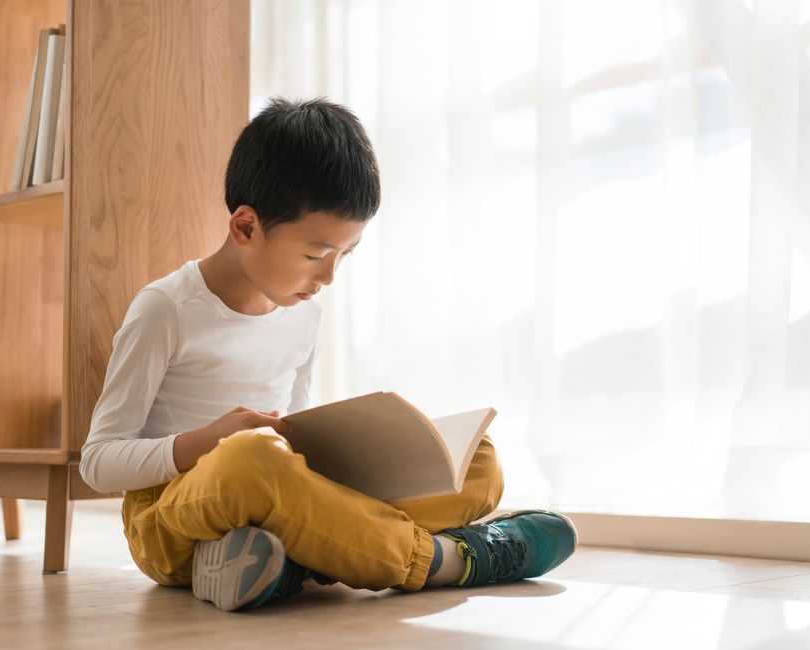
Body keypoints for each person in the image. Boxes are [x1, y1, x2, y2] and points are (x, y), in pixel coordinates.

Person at [79, 97, 577, 612]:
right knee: (251, 459)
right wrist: (207, 443)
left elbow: (298, 434)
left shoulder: (304, 312)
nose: (327, 278)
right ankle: (450, 559)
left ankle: (280, 562)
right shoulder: (165, 308)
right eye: (315, 255)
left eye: (345, 255)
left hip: (277, 496)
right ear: (245, 227)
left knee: (477, 458)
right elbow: (97, 463)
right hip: (170, 520)